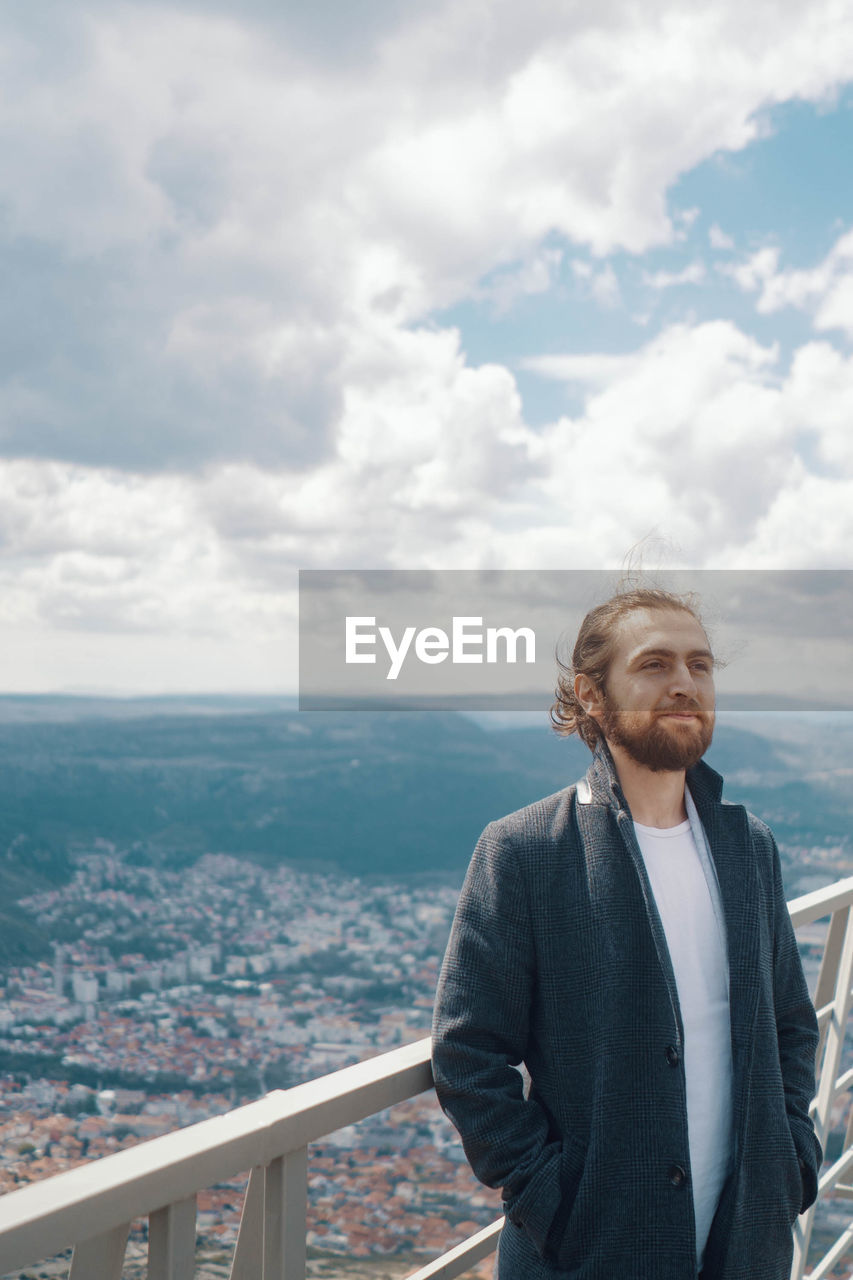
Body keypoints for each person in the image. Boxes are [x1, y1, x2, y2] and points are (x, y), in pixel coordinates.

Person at [431, 587, 821, 1280]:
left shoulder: (748, 848)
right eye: (654, 665)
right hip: (589, 1251)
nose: (684, 684)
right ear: (589, 694)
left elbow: (790, 1021)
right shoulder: (524, 852)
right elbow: (467, 1051)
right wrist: (549, 1198)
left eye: (699, 666)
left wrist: (790, 1159)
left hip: (744, 1246)